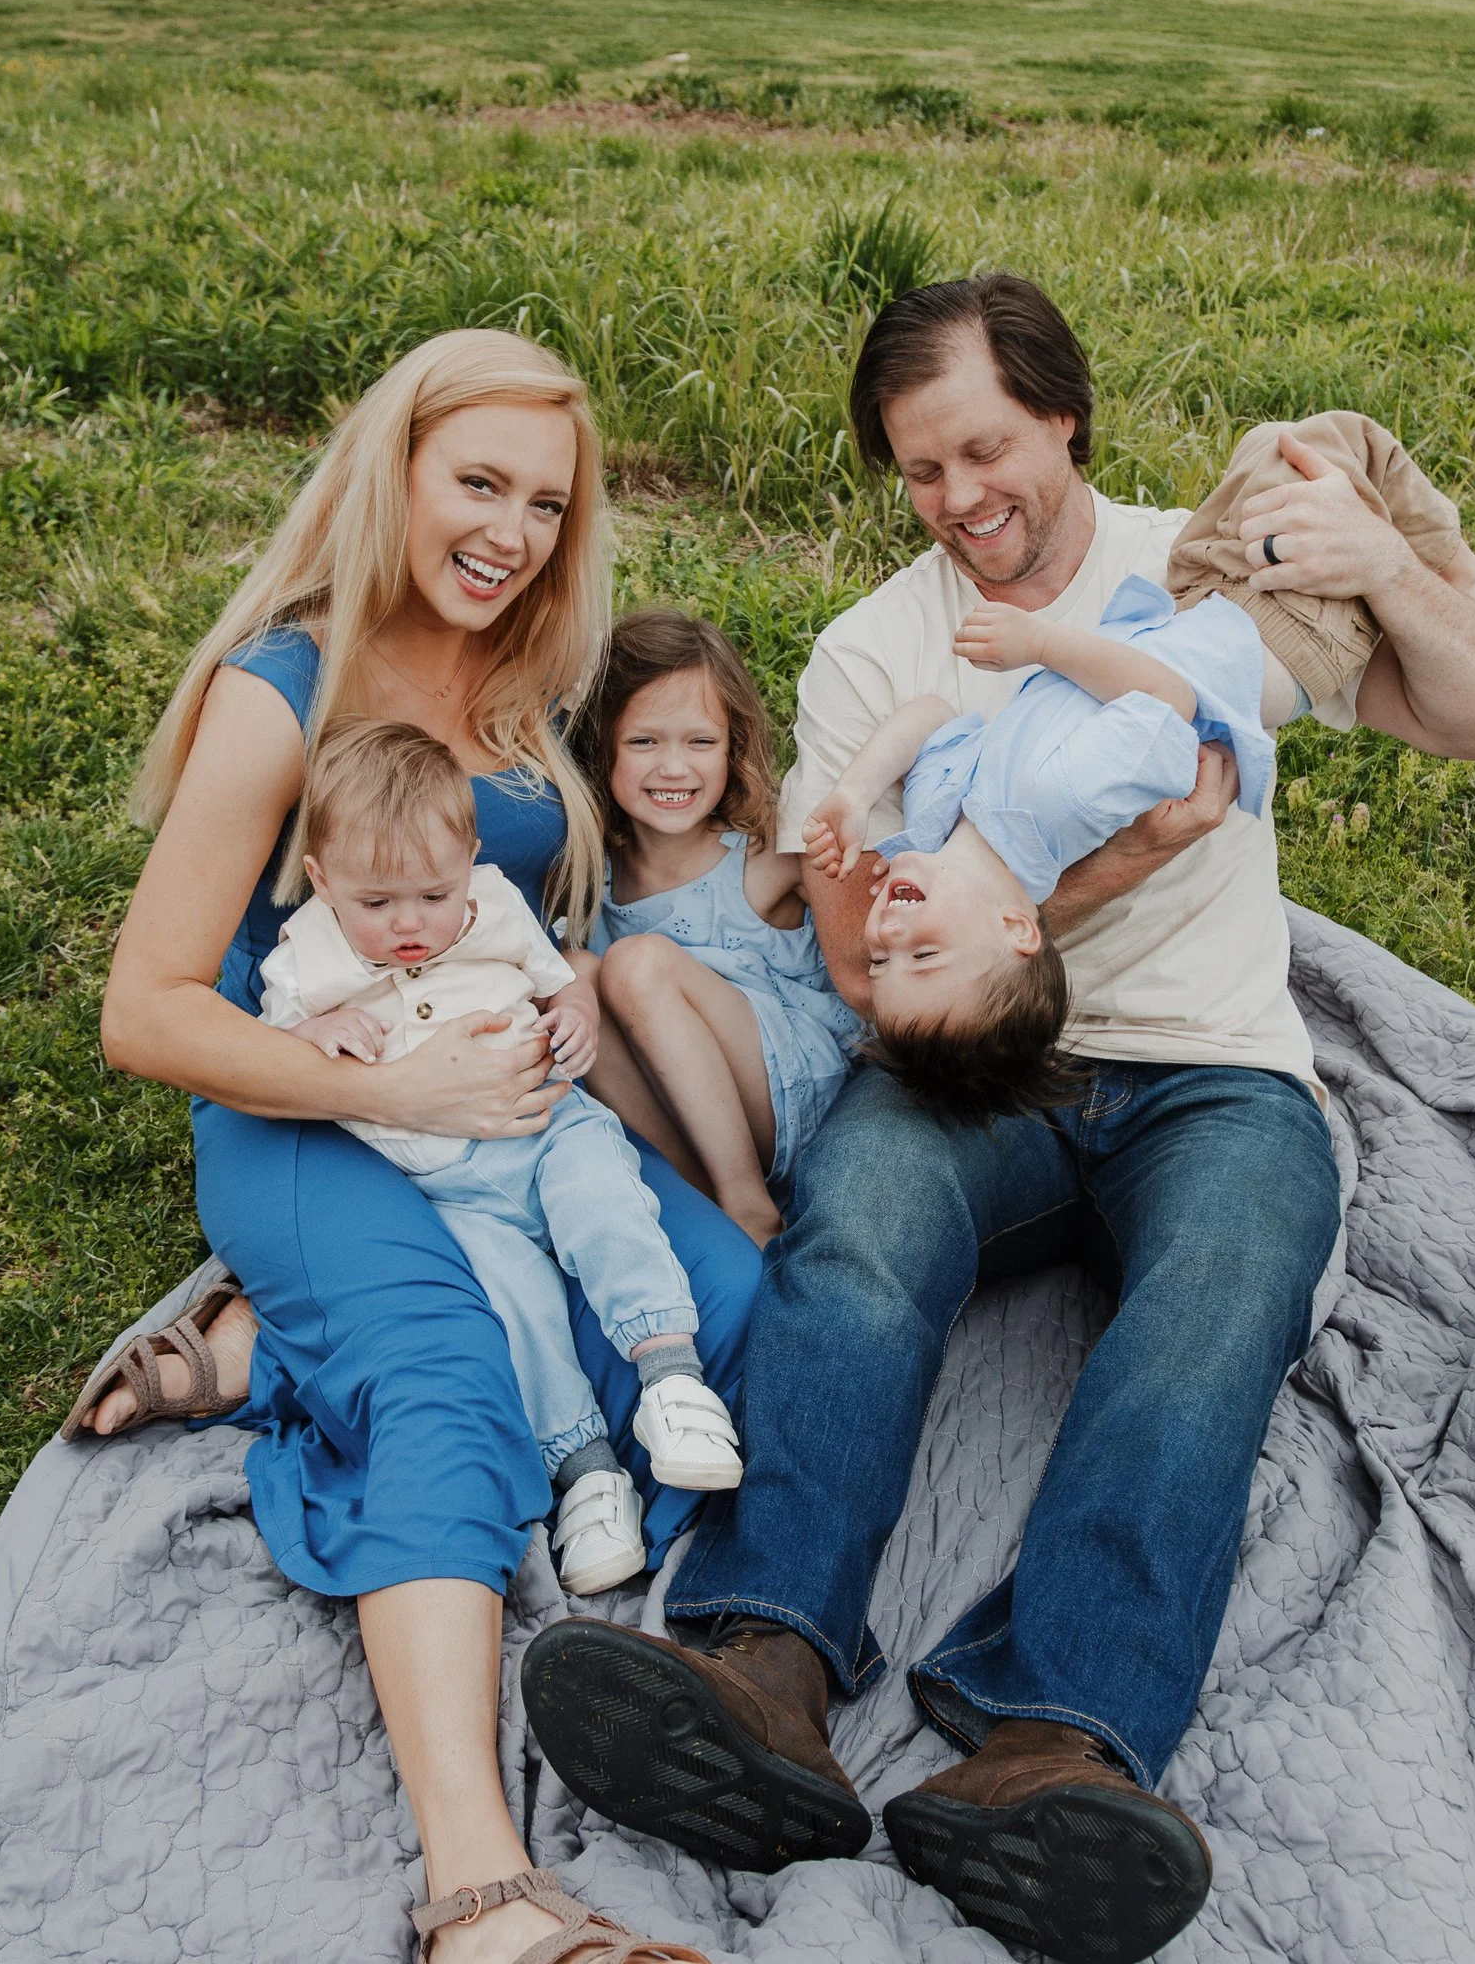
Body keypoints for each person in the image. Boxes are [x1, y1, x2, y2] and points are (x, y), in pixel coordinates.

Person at [521, 277, 1475, 1964]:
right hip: (967, 1070)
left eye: (984, 448)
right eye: (920, 472)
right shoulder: (877, 649)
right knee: (856, 1239)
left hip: (1212, 1066)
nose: (960, 499)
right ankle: (759, 1665)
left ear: (1061, 418)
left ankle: (1050, 1738)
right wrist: (1099, 875)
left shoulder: (1201, 570)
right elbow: (862, 966)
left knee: (1215, 1309)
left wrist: (1382, 568)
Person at [72, 329, 750, 1964]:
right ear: (396, 472)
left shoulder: (523, 682)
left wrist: (582, 995)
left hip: (502, 1110)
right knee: (445, 1370)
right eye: (478, 483)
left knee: (716, 1302)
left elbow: (524, 906)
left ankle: (264, 1352)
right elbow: (146, 1012)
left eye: (543, 502)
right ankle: (482, 1896)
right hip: (307, 1107)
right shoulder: (279, 694)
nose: (509, 532)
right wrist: (398, 1096)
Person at [801, 413, 1475, 1120]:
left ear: (1060, 421)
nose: (887, 942)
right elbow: (1169, 701)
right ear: (1019, 930)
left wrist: (856, 794)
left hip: (1183, 606)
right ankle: (1448, 566)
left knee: (1272, 443)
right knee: (1328, 441)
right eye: (920, 958)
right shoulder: (1061, 804)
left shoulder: (937, 823)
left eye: (884, 961)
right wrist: (1044, 644)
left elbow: (927, 714)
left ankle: (1421, 564)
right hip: (1275, 641)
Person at [255, 713, 744, 1597]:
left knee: (605, 1201)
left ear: (471, 858)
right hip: (449, 1189)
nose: (410, 923)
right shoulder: (307, 960)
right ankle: (586, 1473)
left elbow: (561, 984)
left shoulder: (496, 906)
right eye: (376, 903)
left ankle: (670, 1377)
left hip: (546, 1129)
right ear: (322, 880)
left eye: (433, 896)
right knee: (512, 1305)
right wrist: (319, 1029)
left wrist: (576, 1018)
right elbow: (275, 1040)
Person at [569, 607, 863, 1246]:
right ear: (603, 746)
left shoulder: (767, 858)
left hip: (792, 1096)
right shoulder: (592, 880)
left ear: (733, 746)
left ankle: (748, 1209)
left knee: (635, 964)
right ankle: (697, 1200)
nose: (674, 768)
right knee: (575, 975)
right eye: (644, 741)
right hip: (687, 1121)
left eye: (701, 742)